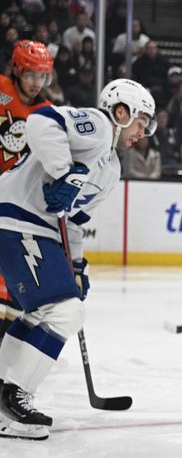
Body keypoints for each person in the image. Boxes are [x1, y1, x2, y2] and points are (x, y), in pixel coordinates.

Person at [0, 78, 155, 439]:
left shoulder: (111, 168)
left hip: (33, 227)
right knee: (66, 311)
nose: (142, 131)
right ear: (122, 111)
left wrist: (78, 267)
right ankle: (15, 396)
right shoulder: (99, 126)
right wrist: (63, 172)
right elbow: (41, 122)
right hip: (17, 217)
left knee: (40, 314)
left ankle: (4, 397)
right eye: (140, 120)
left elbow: (75, 220)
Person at [0, 41, 54, 344]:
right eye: (31, 74)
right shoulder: (1, 89)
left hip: (12, 201)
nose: (37, 83)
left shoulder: (47, 113)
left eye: (42, 76)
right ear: (18, 69)